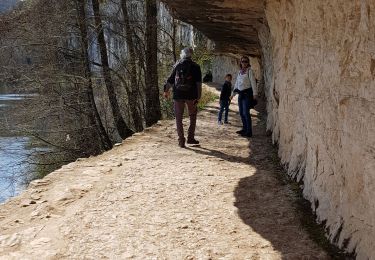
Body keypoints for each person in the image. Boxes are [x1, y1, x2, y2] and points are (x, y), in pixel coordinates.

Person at [163, 47, 202, 148]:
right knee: (192, 116)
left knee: (178, 118)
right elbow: (198, 83)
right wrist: (198, 97)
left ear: (182, 55)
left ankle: (181, 141)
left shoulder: (177, 65)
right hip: (191, 95)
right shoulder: (196, 66)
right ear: (191, 55)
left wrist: (166, 91)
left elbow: (171, 80)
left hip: (178, 95)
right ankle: (190, 138)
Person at [230, 56, 258, 137]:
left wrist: (255, 94)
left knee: (246, 113)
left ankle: (249, 131)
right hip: (240, 94)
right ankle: (244, 129)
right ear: (240, 62)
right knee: (241, 113)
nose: (244, 63)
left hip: (247, 95)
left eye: (246, 61)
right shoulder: (240, 72)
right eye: (243, 61)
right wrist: (232, 94)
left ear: (248, 62)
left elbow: (253, 83)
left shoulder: (250, 71)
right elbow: (236, 84)